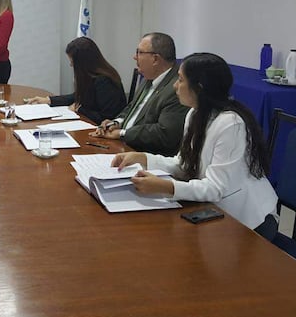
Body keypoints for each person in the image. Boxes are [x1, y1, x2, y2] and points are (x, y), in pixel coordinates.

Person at [112, 53, 279, 240]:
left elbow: (215, 188)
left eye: (181, 80)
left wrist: (167, 187)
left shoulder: (231, 124)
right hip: (215, 210)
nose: (175, 85)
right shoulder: (194, 114)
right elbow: (184, 164)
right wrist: (143, 158)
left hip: (247, 218)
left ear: (199, 88)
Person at [90, 32, 188, 155]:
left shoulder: (177, 88)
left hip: (147, 155)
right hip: (124, 146)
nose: (135, 57)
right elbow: (132, 108)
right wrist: (115, 123)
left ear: (155, 59)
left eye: (139, 52)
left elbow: (164, 133)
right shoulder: (148, 78)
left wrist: (123, 133)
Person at [25, 37, 126, 124]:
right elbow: (77, 96)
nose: (71, 65)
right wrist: (49, 100)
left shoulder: (105, 81)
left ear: (83, 63)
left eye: (72, 62)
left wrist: (79, 109)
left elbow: (108, 117)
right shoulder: (92, 75)